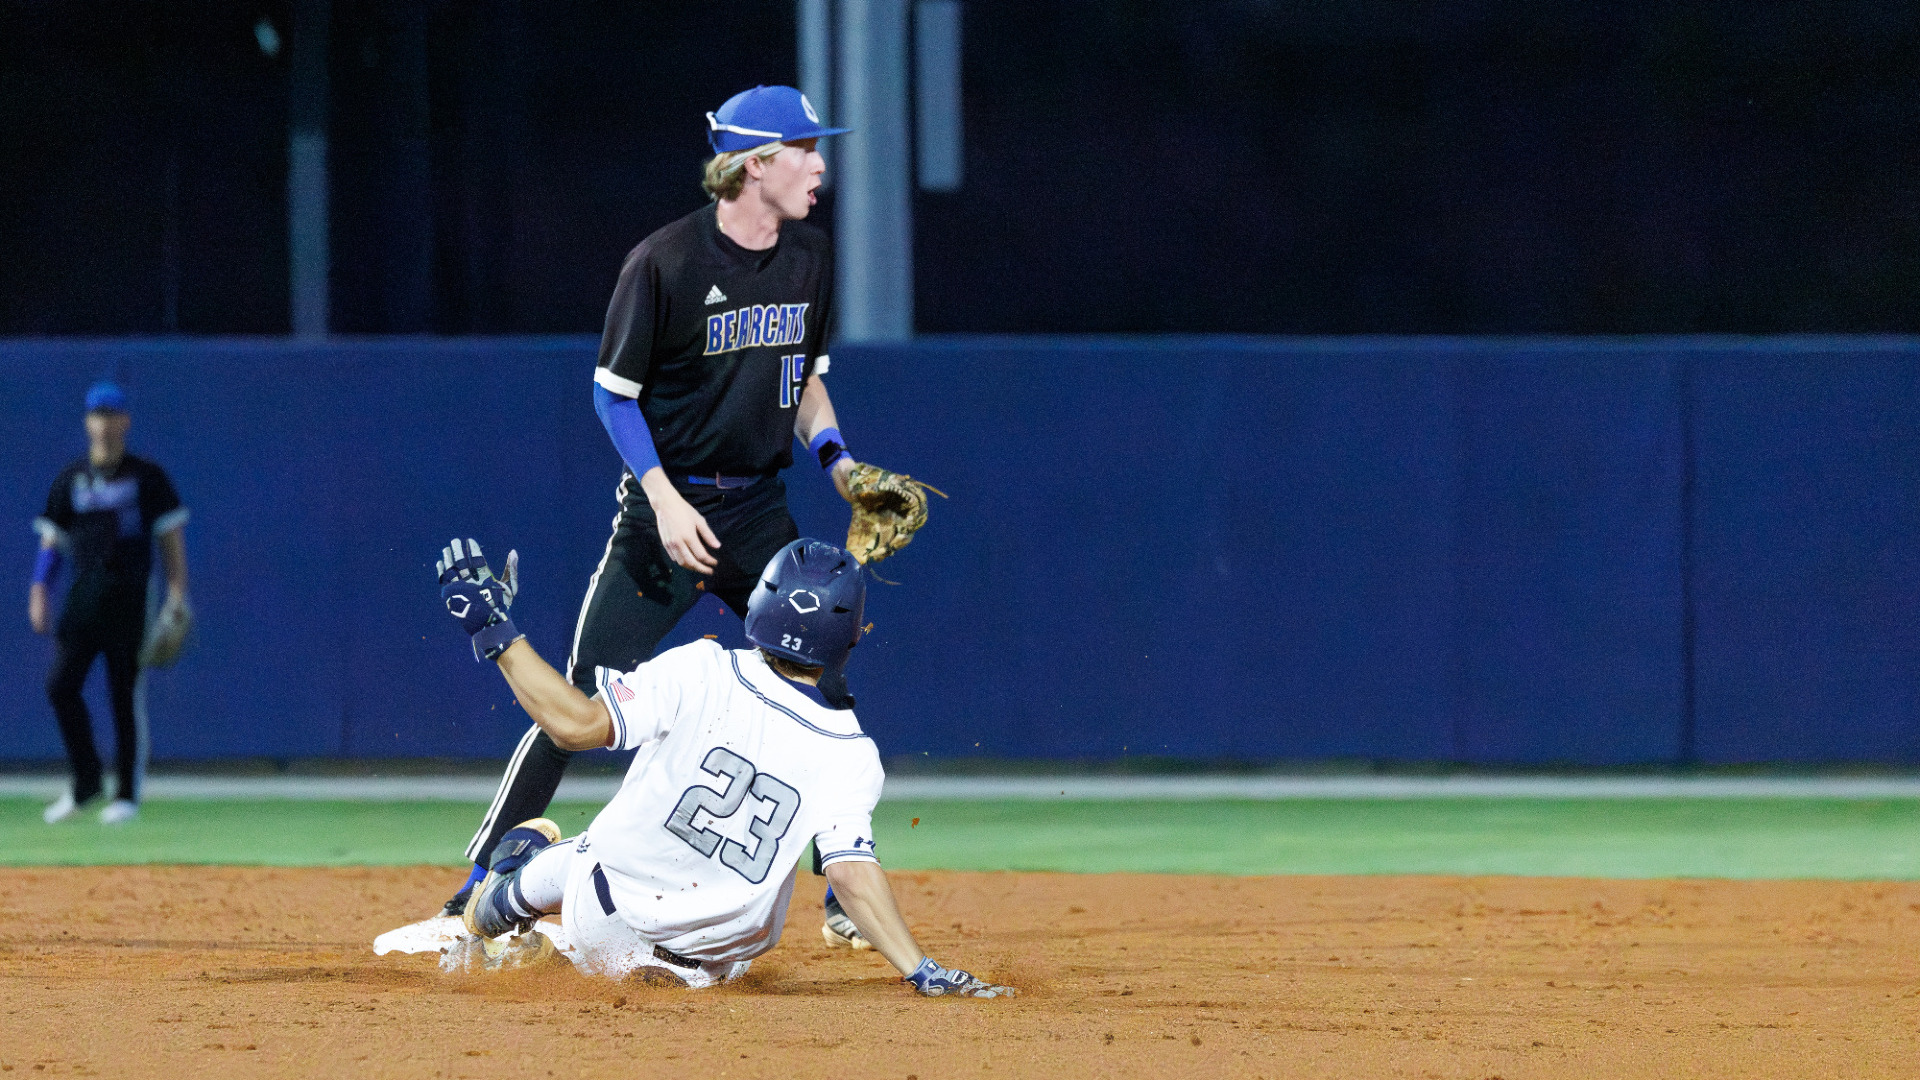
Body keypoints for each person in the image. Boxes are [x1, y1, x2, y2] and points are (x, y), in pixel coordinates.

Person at [445, 85, 893, 954]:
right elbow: (613, 397)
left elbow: (803, 384)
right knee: (576, 702)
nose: (821, 166)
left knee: (825, 688)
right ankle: (470, 884)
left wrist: (837, 460)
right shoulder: (665, 262)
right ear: (756, 163)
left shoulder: (810, 257)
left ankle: (840, 887)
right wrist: (662, 495)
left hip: (758, 508)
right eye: (805, 149)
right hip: (664, 514)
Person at [435, 536, 1012, 997]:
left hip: (599, 914)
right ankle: (522, 894)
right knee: (700, 924)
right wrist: (924, 971)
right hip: (705, 971)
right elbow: (850, 877)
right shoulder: (852, 753)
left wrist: (496, 631)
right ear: (851, 637)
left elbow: (574, 726)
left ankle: (503, 898)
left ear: (761, 602)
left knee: (585, 854)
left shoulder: (701, 668)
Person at [29, 381, 190, 825]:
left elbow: (170, 536)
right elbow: (52, 540)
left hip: (131, 597)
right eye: (96, 415)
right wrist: (40, 588)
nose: (103, 423)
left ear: (125, 422)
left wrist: (177, 592)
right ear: (88, 423)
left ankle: (126, 796)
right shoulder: (71, 479)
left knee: (123, 694)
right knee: (60, 686)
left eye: (111, 415)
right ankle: (85, 785)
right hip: (84, 597)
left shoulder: (147, 478)